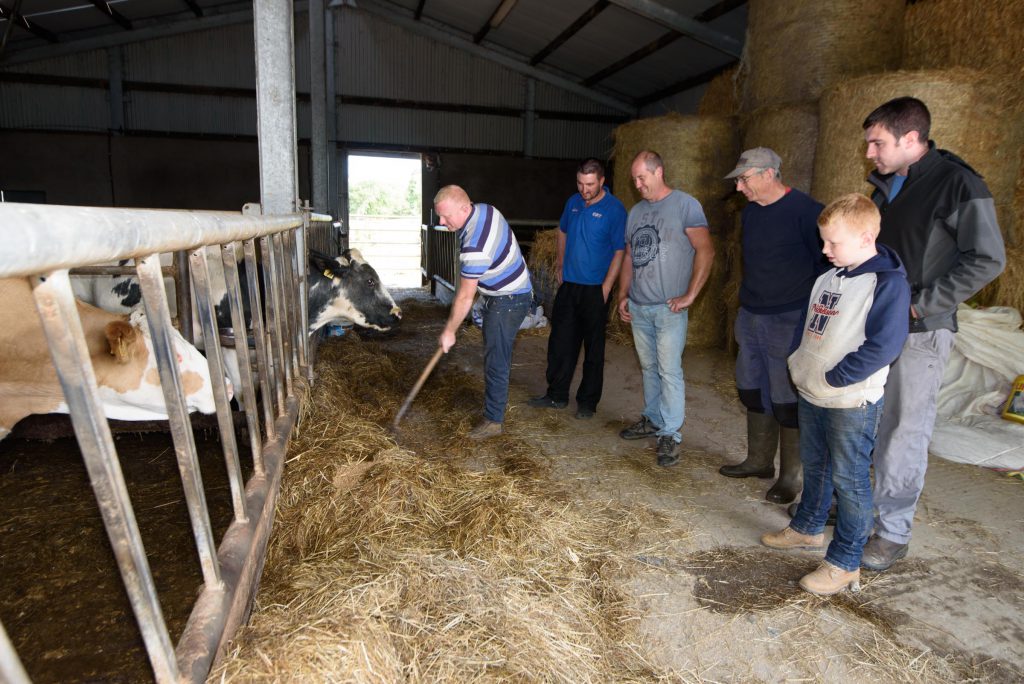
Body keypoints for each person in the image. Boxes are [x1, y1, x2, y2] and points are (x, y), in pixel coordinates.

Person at [860, 97, 1005, 571]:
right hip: (877, 322)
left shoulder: (958, 183)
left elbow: (987, 259)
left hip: (921, 329)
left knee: (904, 428)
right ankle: (863, 507)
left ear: (911, 139)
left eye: (877, 143)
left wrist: (922, 303)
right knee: (869, 418)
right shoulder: (887, 187)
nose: (869, 153)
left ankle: (892, 532)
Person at [762, 193, 910, 596]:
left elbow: (885, 345)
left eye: (832, 243)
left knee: (851, 481)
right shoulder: (829, 276)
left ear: (865, 239)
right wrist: (798, 362)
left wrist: (837, 376)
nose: (824, 250)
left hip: (850, 401)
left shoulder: (887, 282)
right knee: (817, 465)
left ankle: (845, 562)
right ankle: (808, 528)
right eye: (822, 241)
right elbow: (808, 326)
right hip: (813, 390)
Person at [718, 147, 825, 504]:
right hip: (752, 314)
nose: (739, 187)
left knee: (786, 395)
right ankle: (758, 461)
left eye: (743, 179)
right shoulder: (750, 215)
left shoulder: (807, 212)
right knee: (752, 386)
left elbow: (824, 268)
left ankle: (790, 477)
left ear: (768, 174)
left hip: (789, 317)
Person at [616, 150, 714, 466]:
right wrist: (623, 294)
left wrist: (690, 295)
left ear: (658, 171)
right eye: (633, 179)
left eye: (641, 177)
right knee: (649, 368)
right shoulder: (635, 212)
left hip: (668, 308)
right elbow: (630, 257)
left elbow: (706, 251)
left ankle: (670, 434)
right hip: (640, 307)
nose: (637, 184)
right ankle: (652, 418)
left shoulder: (686, 206)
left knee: (669, 370)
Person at [528, 158, 627, 419]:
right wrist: (560, 262)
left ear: (602, 181)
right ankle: (556, 395)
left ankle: (587, 403)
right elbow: (562, 231)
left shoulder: (615, 209)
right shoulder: (573, 203)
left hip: (595, 289)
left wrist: (607, 286)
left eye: (590, 185)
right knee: (560, 343)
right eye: (580, 183)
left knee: (593, 349)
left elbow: (620, 250)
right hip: (569, 286)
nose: (584, 189)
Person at [434, 185, 533, 440]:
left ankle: (493, 421)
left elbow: (466, 296)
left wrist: (449, 331)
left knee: (496, 358)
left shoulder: (475, 246)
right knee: (495, 352)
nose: (443, 223)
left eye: (446, 217)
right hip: (505, 290)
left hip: (509, 298)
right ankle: (493, 413)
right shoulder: (485, 210)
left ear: (465, 208)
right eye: (440, 218)